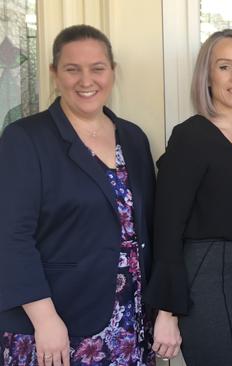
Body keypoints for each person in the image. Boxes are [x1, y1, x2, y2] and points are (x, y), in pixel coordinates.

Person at [0, 24, 156, 366]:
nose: (87, 81)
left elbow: (145, 228)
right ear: (55, 74)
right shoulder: (25, 139)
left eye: (97, 69)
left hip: (130, 320)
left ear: (112, 72)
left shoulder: (132, 138)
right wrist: (45, 320)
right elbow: (11, 237)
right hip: (55, 321)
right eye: (73, 69)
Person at [143, 29, 232, 365]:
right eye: (224, 66)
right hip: (208, 279)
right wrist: (168, 311)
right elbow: (167, 225)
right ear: (207, 77)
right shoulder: (191, 136)